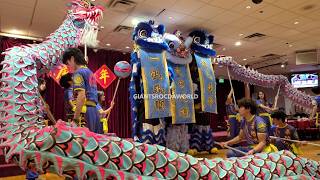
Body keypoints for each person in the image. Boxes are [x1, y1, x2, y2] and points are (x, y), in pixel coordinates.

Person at [62, 48, 103, 134]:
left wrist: (76, 119)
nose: (68, 67)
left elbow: (81, 96)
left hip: (85, 112)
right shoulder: (89, 72)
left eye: (67, 63)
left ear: (72, 59)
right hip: (95, 111)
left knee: (85, 144)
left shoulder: (78, 73)